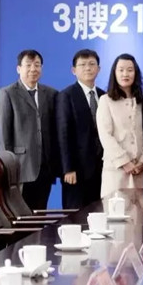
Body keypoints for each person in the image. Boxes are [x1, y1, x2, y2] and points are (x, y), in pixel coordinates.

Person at [0, 49, 59, 210]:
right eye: (28, 65)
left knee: (40, 215)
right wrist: (6, 170)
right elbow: (2, 135)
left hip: (45, 168)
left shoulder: (51, 94)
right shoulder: (7, 94)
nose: (33, 69)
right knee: (20, 216)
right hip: (20, 168)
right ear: (19, 69)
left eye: (37, 65)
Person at [56, 49, 105, 208]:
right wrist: (68, 168)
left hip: (102, 168)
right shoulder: (66, 95)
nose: (88, 68)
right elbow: (63, 134)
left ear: (99, 68)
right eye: (82, 65)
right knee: (75, 215)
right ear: (74, 70)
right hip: (77, 170)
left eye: (92, 64)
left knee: (99, 213)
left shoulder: (104, 96)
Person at [96, 53, 143, 198]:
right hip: (116, 170)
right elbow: (105, 135)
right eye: (121, 70)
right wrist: (124, 162)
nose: (125, 74)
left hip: (140, 171)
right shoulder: (106, 100)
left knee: (141, 210)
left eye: (130, 70)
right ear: (114, 73)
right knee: (116, 209)